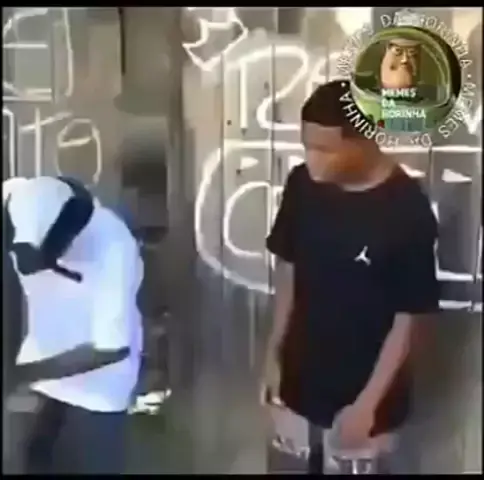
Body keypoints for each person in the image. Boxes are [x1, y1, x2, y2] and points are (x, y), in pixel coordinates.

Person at [262, 80, 439, 474]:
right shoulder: (301, 185)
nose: (312, 161)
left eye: (325, 150)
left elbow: (409, 317)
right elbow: (289, 268)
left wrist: (368, 405)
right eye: (307, 147)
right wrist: (273, 353)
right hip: (297, 389)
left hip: (368, 405)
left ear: (363, 143)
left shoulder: (407, 209)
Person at [4, 176, 143, 474]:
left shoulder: (114, 245)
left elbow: (111, 349)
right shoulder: (17, 200)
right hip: (37, 372)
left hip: (97, 388)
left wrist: (17, 374)